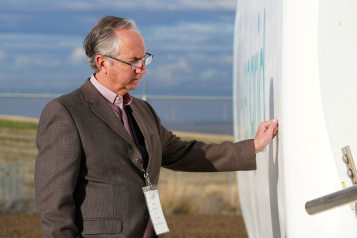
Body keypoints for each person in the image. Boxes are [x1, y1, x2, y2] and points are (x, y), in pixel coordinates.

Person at [35, 16, 278, 238]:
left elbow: (184, 153)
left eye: (144, 58)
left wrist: (252, 147)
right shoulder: (65, 112)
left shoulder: (143, 111)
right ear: (102, 63)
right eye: (133, 61)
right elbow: (54, 208)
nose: (143, 69)